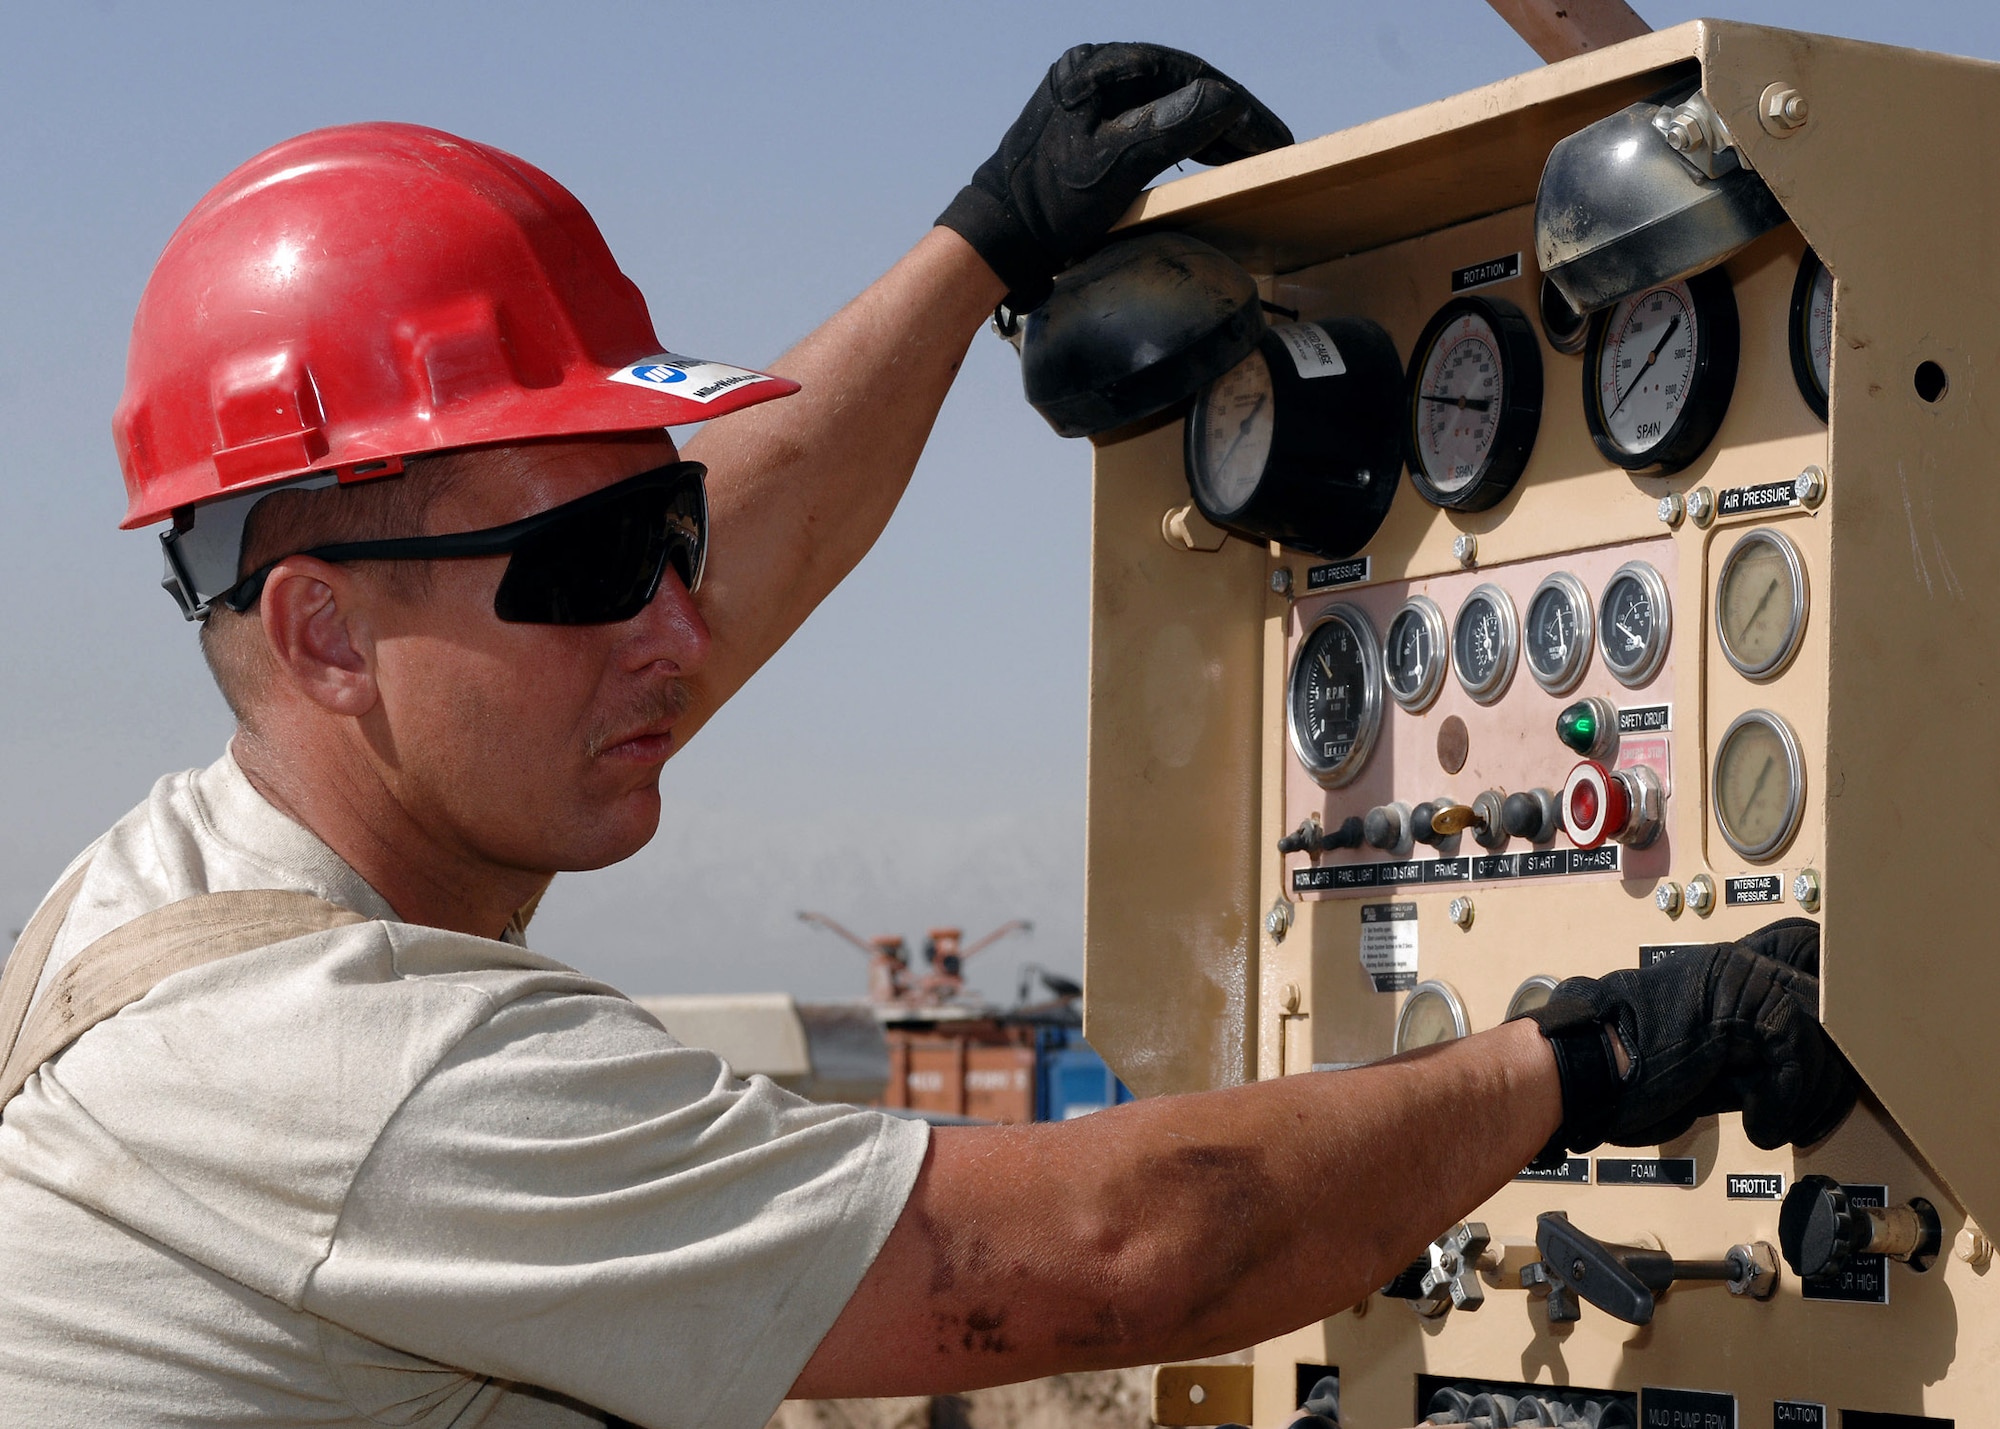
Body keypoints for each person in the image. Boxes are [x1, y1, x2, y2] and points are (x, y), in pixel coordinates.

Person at [0, 43, 1854, 1428]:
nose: (673, 617)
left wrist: (978, 249)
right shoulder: (364, 1084)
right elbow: (1125, 1253)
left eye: (668, 534)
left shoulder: (168, 894)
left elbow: (695, 548)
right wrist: (1598, 1053)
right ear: (324, 630)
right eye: (592, 565)